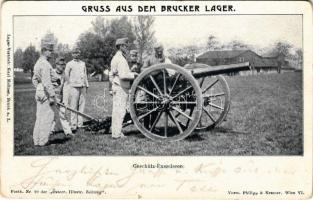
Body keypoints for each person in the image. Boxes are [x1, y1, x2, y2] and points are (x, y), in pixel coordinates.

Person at [110, 38, 138, 139]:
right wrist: (134, 75)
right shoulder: (120, 59)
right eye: (125, 46)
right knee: (119, 111)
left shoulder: (119, 57)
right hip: (120, 86)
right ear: (121, 46)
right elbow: (122, 75)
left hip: (120, 86)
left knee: (119, 111)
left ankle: (117, 132)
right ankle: (116, 134)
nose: (127, 48)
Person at [32, 43, 56, 146]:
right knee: (48, 116)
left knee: (39, 116)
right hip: (46, 91)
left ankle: (36, 140)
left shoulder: (38, 62)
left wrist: (39, 88)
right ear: (44, 51)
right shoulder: (45, 64)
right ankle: (43, 141)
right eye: (50, 51)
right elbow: (47, 82)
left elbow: (34, 79)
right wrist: (51, 96)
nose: (51, 53)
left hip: (39, 90)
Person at [64, 47, 89, 132]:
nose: (76, 54)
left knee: (81, 105)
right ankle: (73, 125)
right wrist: (69, 85)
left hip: (82, 86)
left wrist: (87, 85)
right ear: (72, 54)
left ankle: (80, 124)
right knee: (73, 106)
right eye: (74, 53)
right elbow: (66, 75)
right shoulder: (69, 64)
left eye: (78, 53)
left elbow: (85, 75)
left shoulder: (83, 63)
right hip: (73, 87)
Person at [50, 56, 73, 137]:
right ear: (56, 65)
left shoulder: (65, 75)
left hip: (60, 97)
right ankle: (50, 130)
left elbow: (66, 88)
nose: (62, 66)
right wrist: (51, 97)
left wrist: (65, 100)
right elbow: (47, 86)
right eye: (60, 65)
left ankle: (68, 132)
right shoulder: (51, 72)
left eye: (64, 65)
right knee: (51, 114)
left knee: (63, 114)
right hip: (51, 96)